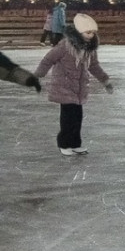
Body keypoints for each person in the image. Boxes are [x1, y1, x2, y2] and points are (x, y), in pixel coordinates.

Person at [32, 13, 113, 156]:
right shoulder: (64, 46)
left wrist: (105, 80)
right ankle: (64, 144)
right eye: (88, 32)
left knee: (77, 117)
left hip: (79, 89)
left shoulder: (89, 49)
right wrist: (38, 74)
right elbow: (48, 60)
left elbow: (94, 66)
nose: (91, 35)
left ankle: (75, 144)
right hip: (64, 86)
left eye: (93, 32)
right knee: (68, 118)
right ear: (79, 31)